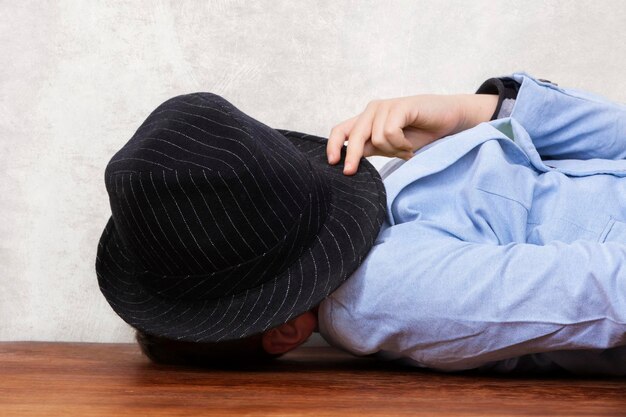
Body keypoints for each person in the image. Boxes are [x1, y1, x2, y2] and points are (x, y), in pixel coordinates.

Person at [96, 72, 626, 375]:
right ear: (286, 332)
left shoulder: (392, 190)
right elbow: (609, 290)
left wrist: (474, 111)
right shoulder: (384, 292)